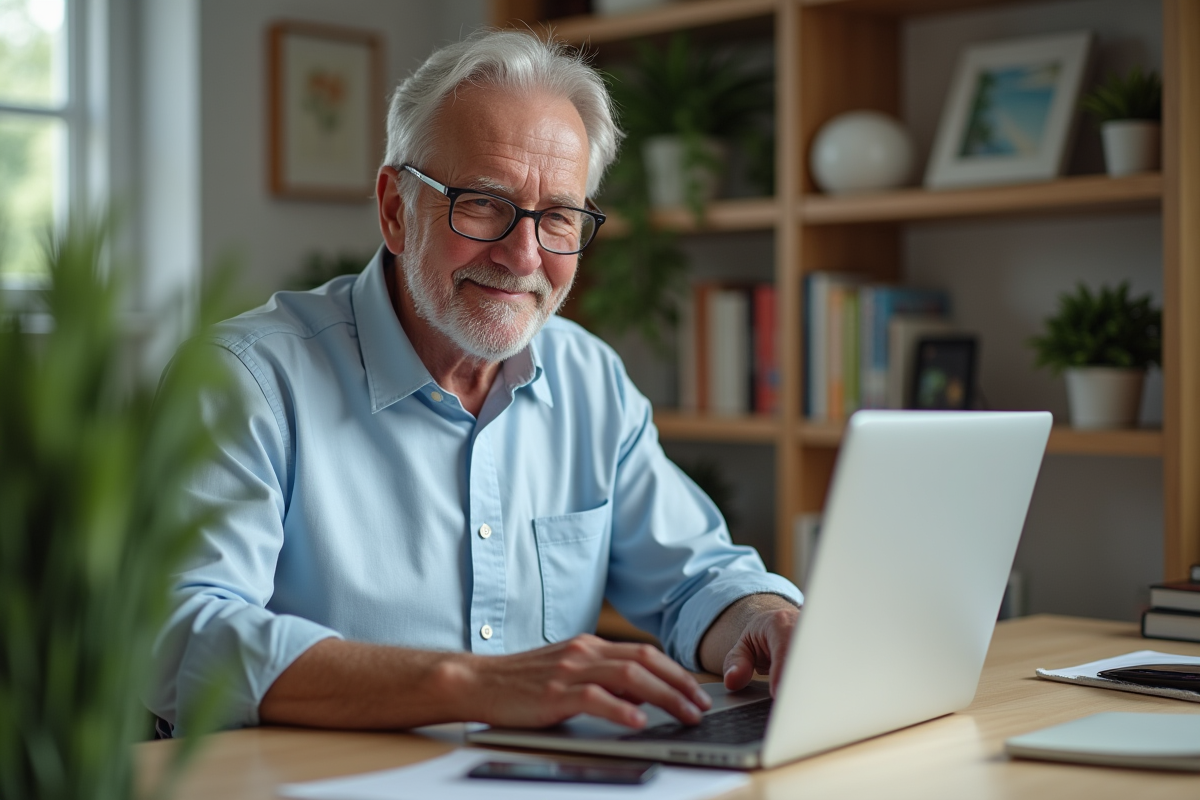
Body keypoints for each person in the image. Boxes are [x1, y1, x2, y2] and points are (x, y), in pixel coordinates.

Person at [147, 29, 801, 737]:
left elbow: (694, 578)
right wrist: (469, 686)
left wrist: (763, 618)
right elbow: (179, 635)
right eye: (484, 204)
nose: (524, 256)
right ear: (396, 209)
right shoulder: (243, 379)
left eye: (558, 217)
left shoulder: (588, 378)